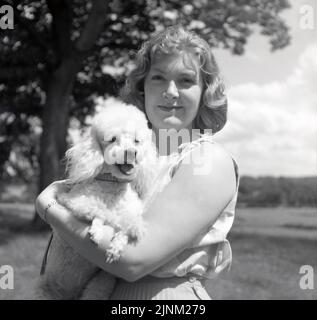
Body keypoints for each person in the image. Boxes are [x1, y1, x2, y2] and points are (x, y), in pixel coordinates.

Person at [35, 25, 239, 300]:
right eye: (158, 78)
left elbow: (134, 261)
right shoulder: (133, 156)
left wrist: (48, 207)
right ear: (142, 88)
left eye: (186, 80)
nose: (171, 91)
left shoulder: (208, 160)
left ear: (205, 91)